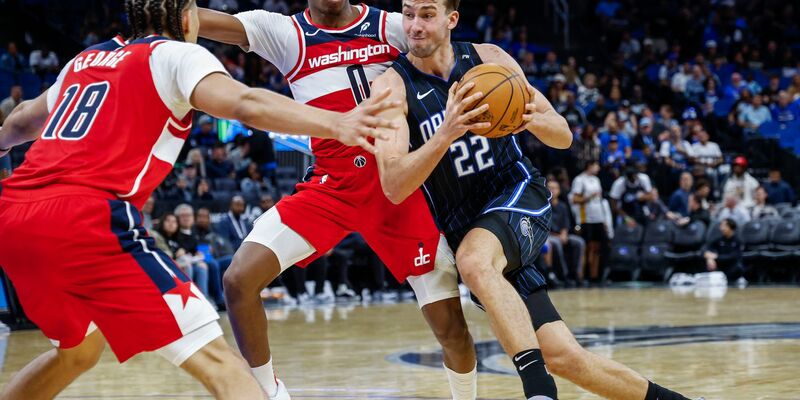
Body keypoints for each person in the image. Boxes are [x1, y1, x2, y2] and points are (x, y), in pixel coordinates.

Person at [0, 0, 396, 397]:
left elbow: (19, 120)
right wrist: (337, 123)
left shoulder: (86, 60)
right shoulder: (178, 54)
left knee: (77, 353)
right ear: (188, 17)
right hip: (86, 218)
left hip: (14, 219)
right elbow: (246, 104)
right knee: (220, 363)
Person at [371, 1, 695, 399]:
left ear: (451, 19)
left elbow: (563, 135)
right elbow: (393, 184)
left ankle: (539, 392)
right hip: (465, 223)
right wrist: (446, 133)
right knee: (563, 356)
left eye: (426, 14)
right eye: (407, 14)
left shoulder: (489, 60)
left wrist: (525, 117)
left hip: (517, 191)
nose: (414, 26)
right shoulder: (392, 86)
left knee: (474, 260)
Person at [197, 2, 478, 398]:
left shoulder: (394, 25)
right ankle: (267, 393)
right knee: (238, 279)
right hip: (333, 186)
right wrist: (162, 11)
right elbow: (200, 21)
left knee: (452, 328)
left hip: (396, 186)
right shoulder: (285, 33)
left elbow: (452, 58)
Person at [569, 160, 610, 284]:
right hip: (585, 219)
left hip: (598, 218)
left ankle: (595, 276)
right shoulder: (579, 180)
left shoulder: (596, 180)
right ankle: (582, 276)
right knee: (586, 248)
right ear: (589, 166)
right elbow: (575, 199)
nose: (598, 168)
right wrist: (589, 197)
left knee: (597, 249)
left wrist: (604, 219)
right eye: (596, 165)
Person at [545, 180, 585, 285]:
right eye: (550, 187)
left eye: (555, 188)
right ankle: (564, 275)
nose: (552, 190)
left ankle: (577, 274)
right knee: (556, 243)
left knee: (579, 242)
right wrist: (558, 236)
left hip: (561, 235)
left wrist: (564, 234)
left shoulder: (563, 206)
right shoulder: (542, 206)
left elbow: (566, 224)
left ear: (559, 190)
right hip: (548, 236)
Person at [703, 219, 746, 284]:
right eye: (721, 226)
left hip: (732, 266)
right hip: (720, 266)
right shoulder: (719, 240)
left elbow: (734, 257)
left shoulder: (738, 240)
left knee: (738, 268)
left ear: (731, 227)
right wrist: (709, 258)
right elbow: (706, 248)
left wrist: (716, 257)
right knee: (707, 265)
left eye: (724, 226)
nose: (721, 228)